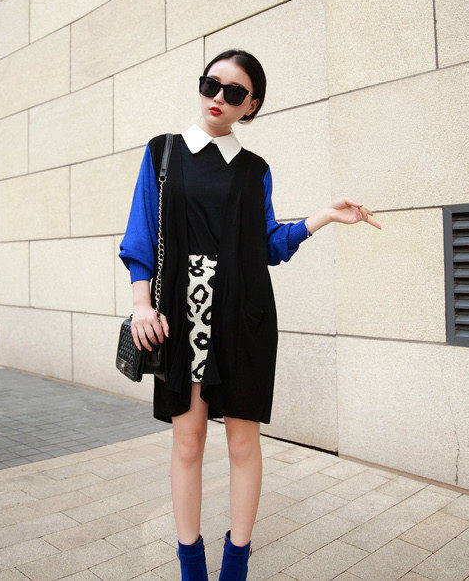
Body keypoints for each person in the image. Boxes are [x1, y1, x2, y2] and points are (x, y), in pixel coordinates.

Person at [118, 49, 381, 580]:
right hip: (181, 318)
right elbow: (140, 235)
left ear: (251, 105)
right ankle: (192, 566)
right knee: (188, 439)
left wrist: (322, 217)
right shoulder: (163, 152)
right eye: (211, 85)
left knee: (243, 441)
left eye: (233, 92)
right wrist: (141, 304)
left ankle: (235, 565)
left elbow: (268, 245)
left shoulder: (254, 169)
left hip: (243, 316)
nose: (218, 98)